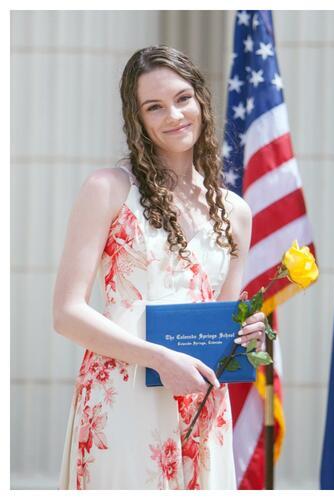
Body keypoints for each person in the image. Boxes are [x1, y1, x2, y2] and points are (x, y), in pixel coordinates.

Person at [53, 45, 269, 490]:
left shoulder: (236, 212)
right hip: (124, 394)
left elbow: (222, 317)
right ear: (138, 121)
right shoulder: (108, 189)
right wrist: (159, 358)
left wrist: (247, 331)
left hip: (202, 399)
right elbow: (66, 313)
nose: (174, 115)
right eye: (155, 106)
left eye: (182, 98)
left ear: (201, 101)